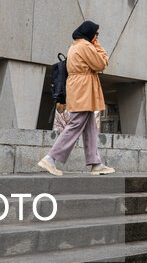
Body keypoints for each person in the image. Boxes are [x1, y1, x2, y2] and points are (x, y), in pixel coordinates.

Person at [38, 21, 115, 176]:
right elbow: (101, 63)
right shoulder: (85, 46)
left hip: (80, 87)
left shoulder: (76, 45)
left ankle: (96, 163)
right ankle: (50, 158)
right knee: (76, 123)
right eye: (96, 34)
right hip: (83, 89)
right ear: (90, 33)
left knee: (90, 126)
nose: (97, 37)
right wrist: (97, 45)